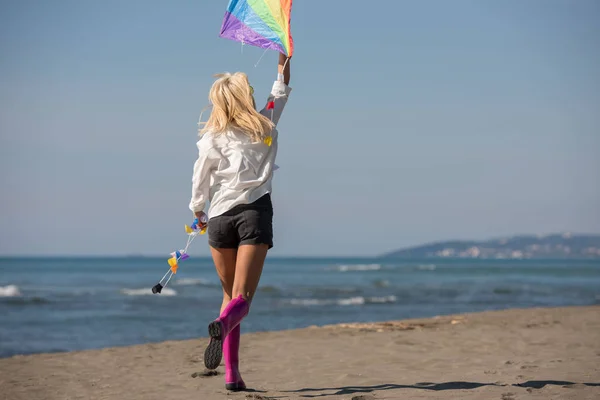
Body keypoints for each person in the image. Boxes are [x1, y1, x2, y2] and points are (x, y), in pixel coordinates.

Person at [188, 52, 292, 391]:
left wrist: (197, 210)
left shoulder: (211, 137)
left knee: (228, 294)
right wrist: (284, 54)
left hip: (218, 219)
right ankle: (223, 326)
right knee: (242, 299)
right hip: (253, 213)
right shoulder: (266, 123)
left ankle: (233, 376)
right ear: (244, 98)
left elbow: (199, 176)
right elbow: (281, 88)